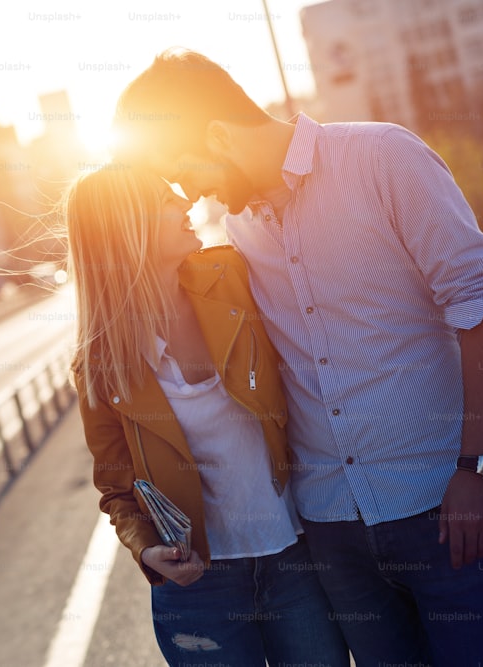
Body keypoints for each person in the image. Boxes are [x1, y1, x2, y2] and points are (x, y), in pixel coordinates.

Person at [110, 48, 483, 667]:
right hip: (333, 533)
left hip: (444, 505)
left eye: (184, 169)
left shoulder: (384, 157)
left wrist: (479, 468)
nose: (191, 192)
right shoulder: (239, 232)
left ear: (218, 134)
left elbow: (481, 306)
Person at [67, 165, 350, 666]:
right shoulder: (100, 364)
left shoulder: (233, 280)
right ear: (126, 229)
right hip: (197, 587)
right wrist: (146, 552)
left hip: (294, 558)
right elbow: (116, 489)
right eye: (163, 198)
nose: (185, 204)